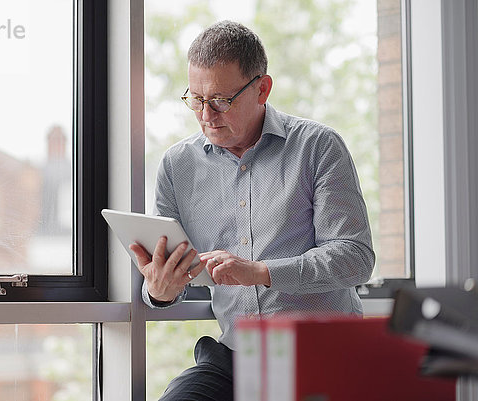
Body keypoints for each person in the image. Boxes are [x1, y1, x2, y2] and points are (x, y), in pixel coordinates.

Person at [129, 20, 374, 401]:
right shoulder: (178, 166)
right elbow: (168, 279)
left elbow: (355, 258)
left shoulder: (318, 148)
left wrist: (259, 272)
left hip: (322, 353)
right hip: (236, 358)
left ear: (262, 88)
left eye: (221, 100)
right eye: (196, 99)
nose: (206, 115)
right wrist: (159, 291)